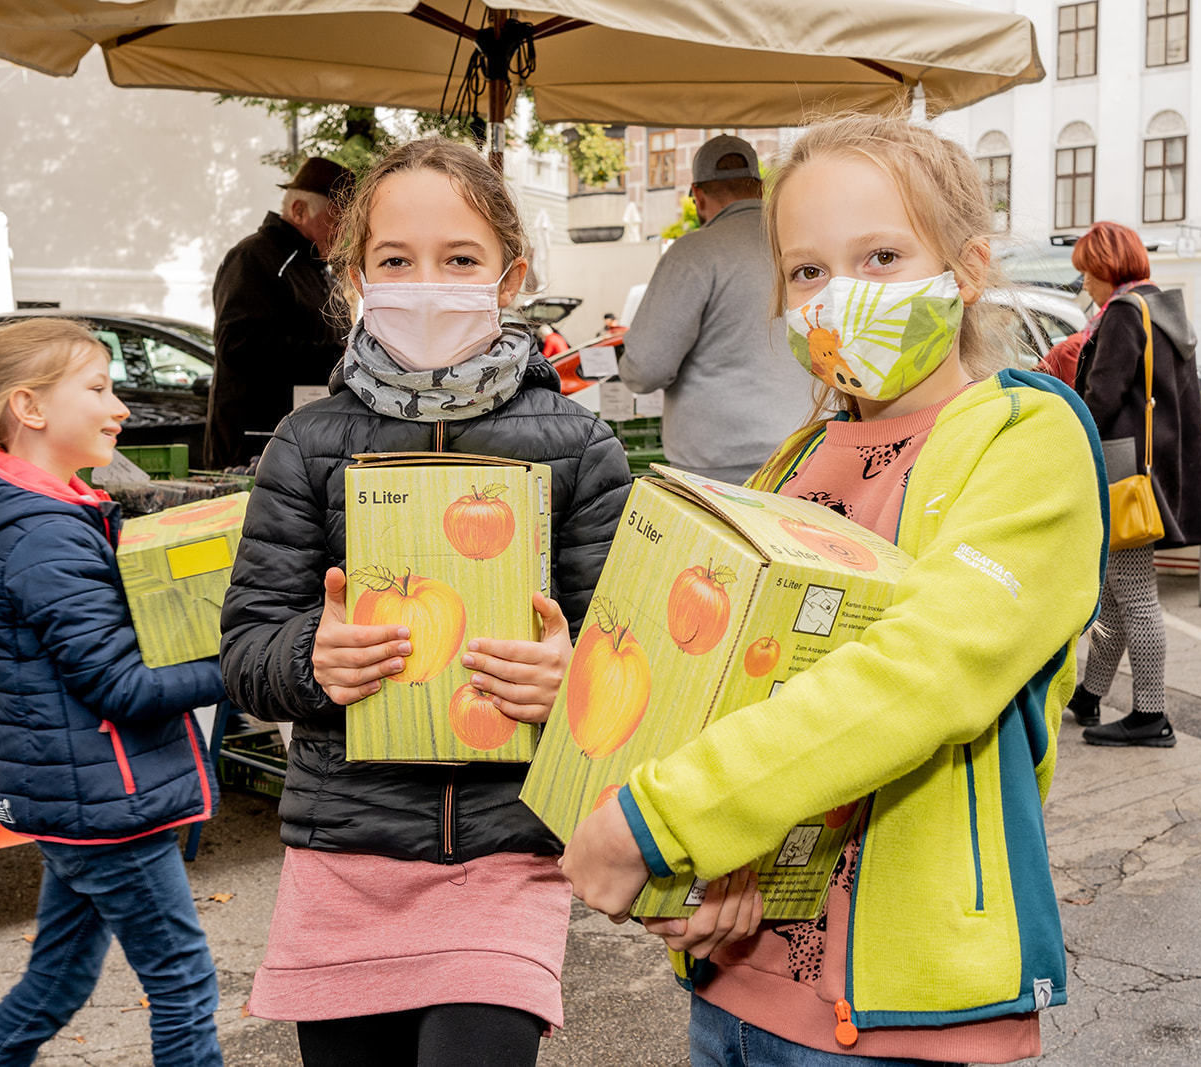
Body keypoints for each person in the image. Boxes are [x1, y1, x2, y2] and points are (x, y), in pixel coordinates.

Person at [561, 113, 1108, 1065]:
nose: (839, 294)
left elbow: (924, 671)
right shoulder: (798, 460)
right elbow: (731, 694)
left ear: (967, 268)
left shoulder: (1028, 440)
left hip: (900, 1025)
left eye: (883, 255)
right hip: (736, 989)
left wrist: (668, 817)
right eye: (809, 271)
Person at [219, 138, 632, 1065]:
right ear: (356, 277)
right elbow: (245, 649)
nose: (427, 282)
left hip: (505, 852)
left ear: (510, 274)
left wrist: (573, 678)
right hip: (346, 854)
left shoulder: (579, 446)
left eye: (459, 259)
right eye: (396, 261)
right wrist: (308, 659)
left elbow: (631, 659)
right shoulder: (306, 442)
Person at [0, 318, 227, 1067]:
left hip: (84, 798)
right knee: (185, 985)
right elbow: (120, 685)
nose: (118, 406)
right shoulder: (42, 533)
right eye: (97, 388)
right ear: (29, 408)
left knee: (56, 980)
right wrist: (249, 661)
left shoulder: (40, 515)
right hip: (105, 803)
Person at [1068, 221, 1201, 746]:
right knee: (1115, 593)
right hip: (1155, 470)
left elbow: (1101, 398)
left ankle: (1151, 715)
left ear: (1107, 268)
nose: (1083, 282)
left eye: (1087, 271)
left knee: (1133, 594)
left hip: (1123, 473)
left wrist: (1064, 433)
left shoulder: (1125, 317)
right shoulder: (1161, 310)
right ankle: (1089, 695)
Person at [618, 134, 814, 484]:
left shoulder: (695, 252)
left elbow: (644, 369)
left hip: (719, 470)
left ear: (697, 195)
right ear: (760, 188)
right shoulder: (803, 242)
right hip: (809, 451)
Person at [207, 156, 355, 469]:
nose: (344, 233)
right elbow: (237, 345)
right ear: (299, 211)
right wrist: (335, 355)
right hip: (255, 442)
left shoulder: (316, 268)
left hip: (303, 435)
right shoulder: (253, 257)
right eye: (337, 220)